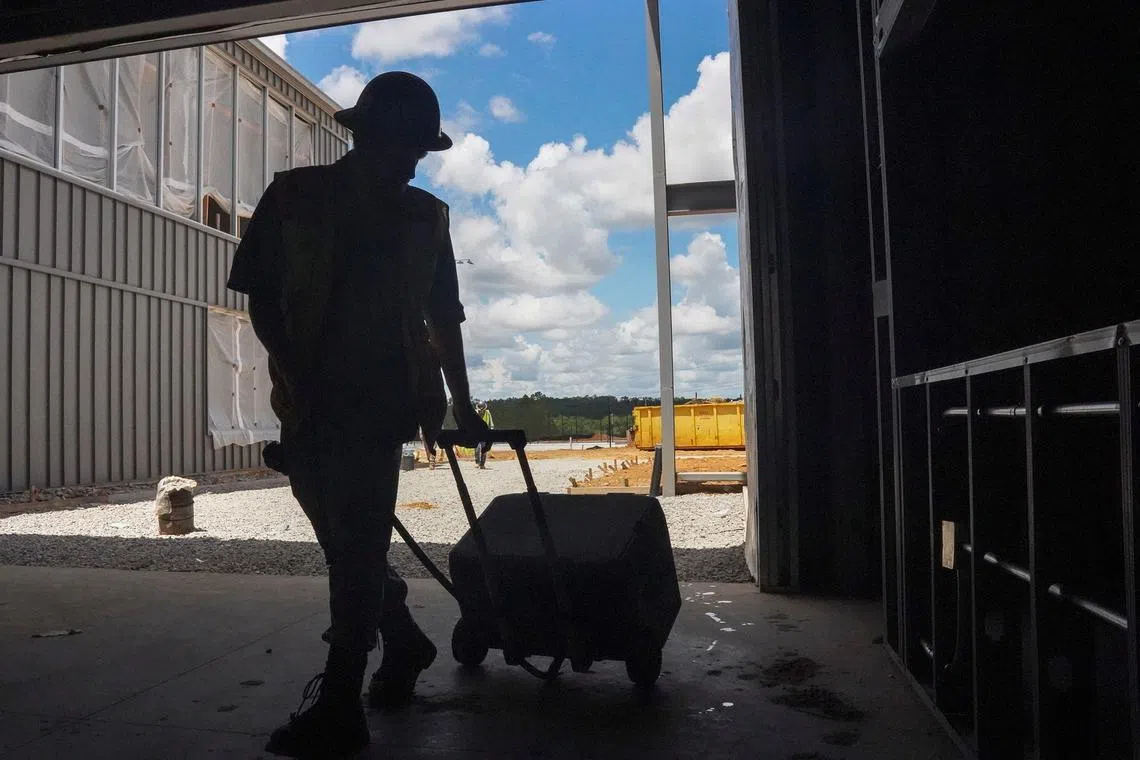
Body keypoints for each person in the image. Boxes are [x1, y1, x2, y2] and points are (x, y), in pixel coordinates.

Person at [226, 71, 489, 758]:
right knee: (348, 544)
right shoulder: (295, 198)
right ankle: (403, 640)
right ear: (364, 135)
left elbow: (444, 319)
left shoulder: (425, 217)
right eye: (400, 147)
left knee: (357, 546)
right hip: (310, 399)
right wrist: (294, 372)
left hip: (384, 401)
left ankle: (341, 702)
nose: (408, 162)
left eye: (418, 152)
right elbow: (258, 296)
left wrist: (463, 407)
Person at [473, 400, 495, 468]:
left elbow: (491, 423)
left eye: (483, 410)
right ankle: (477, 462)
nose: (481, 411)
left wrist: (491, 430)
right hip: (476, 433)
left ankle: (482, 464)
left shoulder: (488, 413)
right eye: (480, 410)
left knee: (484, 448)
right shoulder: (475, 413)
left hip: (485, 433)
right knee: (477, 448)